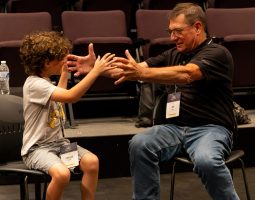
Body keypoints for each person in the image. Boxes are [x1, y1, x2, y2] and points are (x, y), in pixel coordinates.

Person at [67, 3, 239, 199]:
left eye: (178, 31)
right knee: (140, 144)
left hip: (211, 128)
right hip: (175, 129)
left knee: (206, 160)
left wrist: (143, 73)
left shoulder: (217, 53)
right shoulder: (173, 54)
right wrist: (97, 69)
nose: (172, 37)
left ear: (197, 27)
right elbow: (133, 70)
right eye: (170, 31)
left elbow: (187, 74)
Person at [20, 31, 115, 200]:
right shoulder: (34, 84)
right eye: (60, 58)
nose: (64, 60)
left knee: (92, 163)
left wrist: (64, 72)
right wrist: (95, 72)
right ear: (46, 62)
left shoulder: (46, 82)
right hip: (37, 149)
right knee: (62, 174)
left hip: (59, 144)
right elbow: (71, 96)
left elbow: (62, 98)